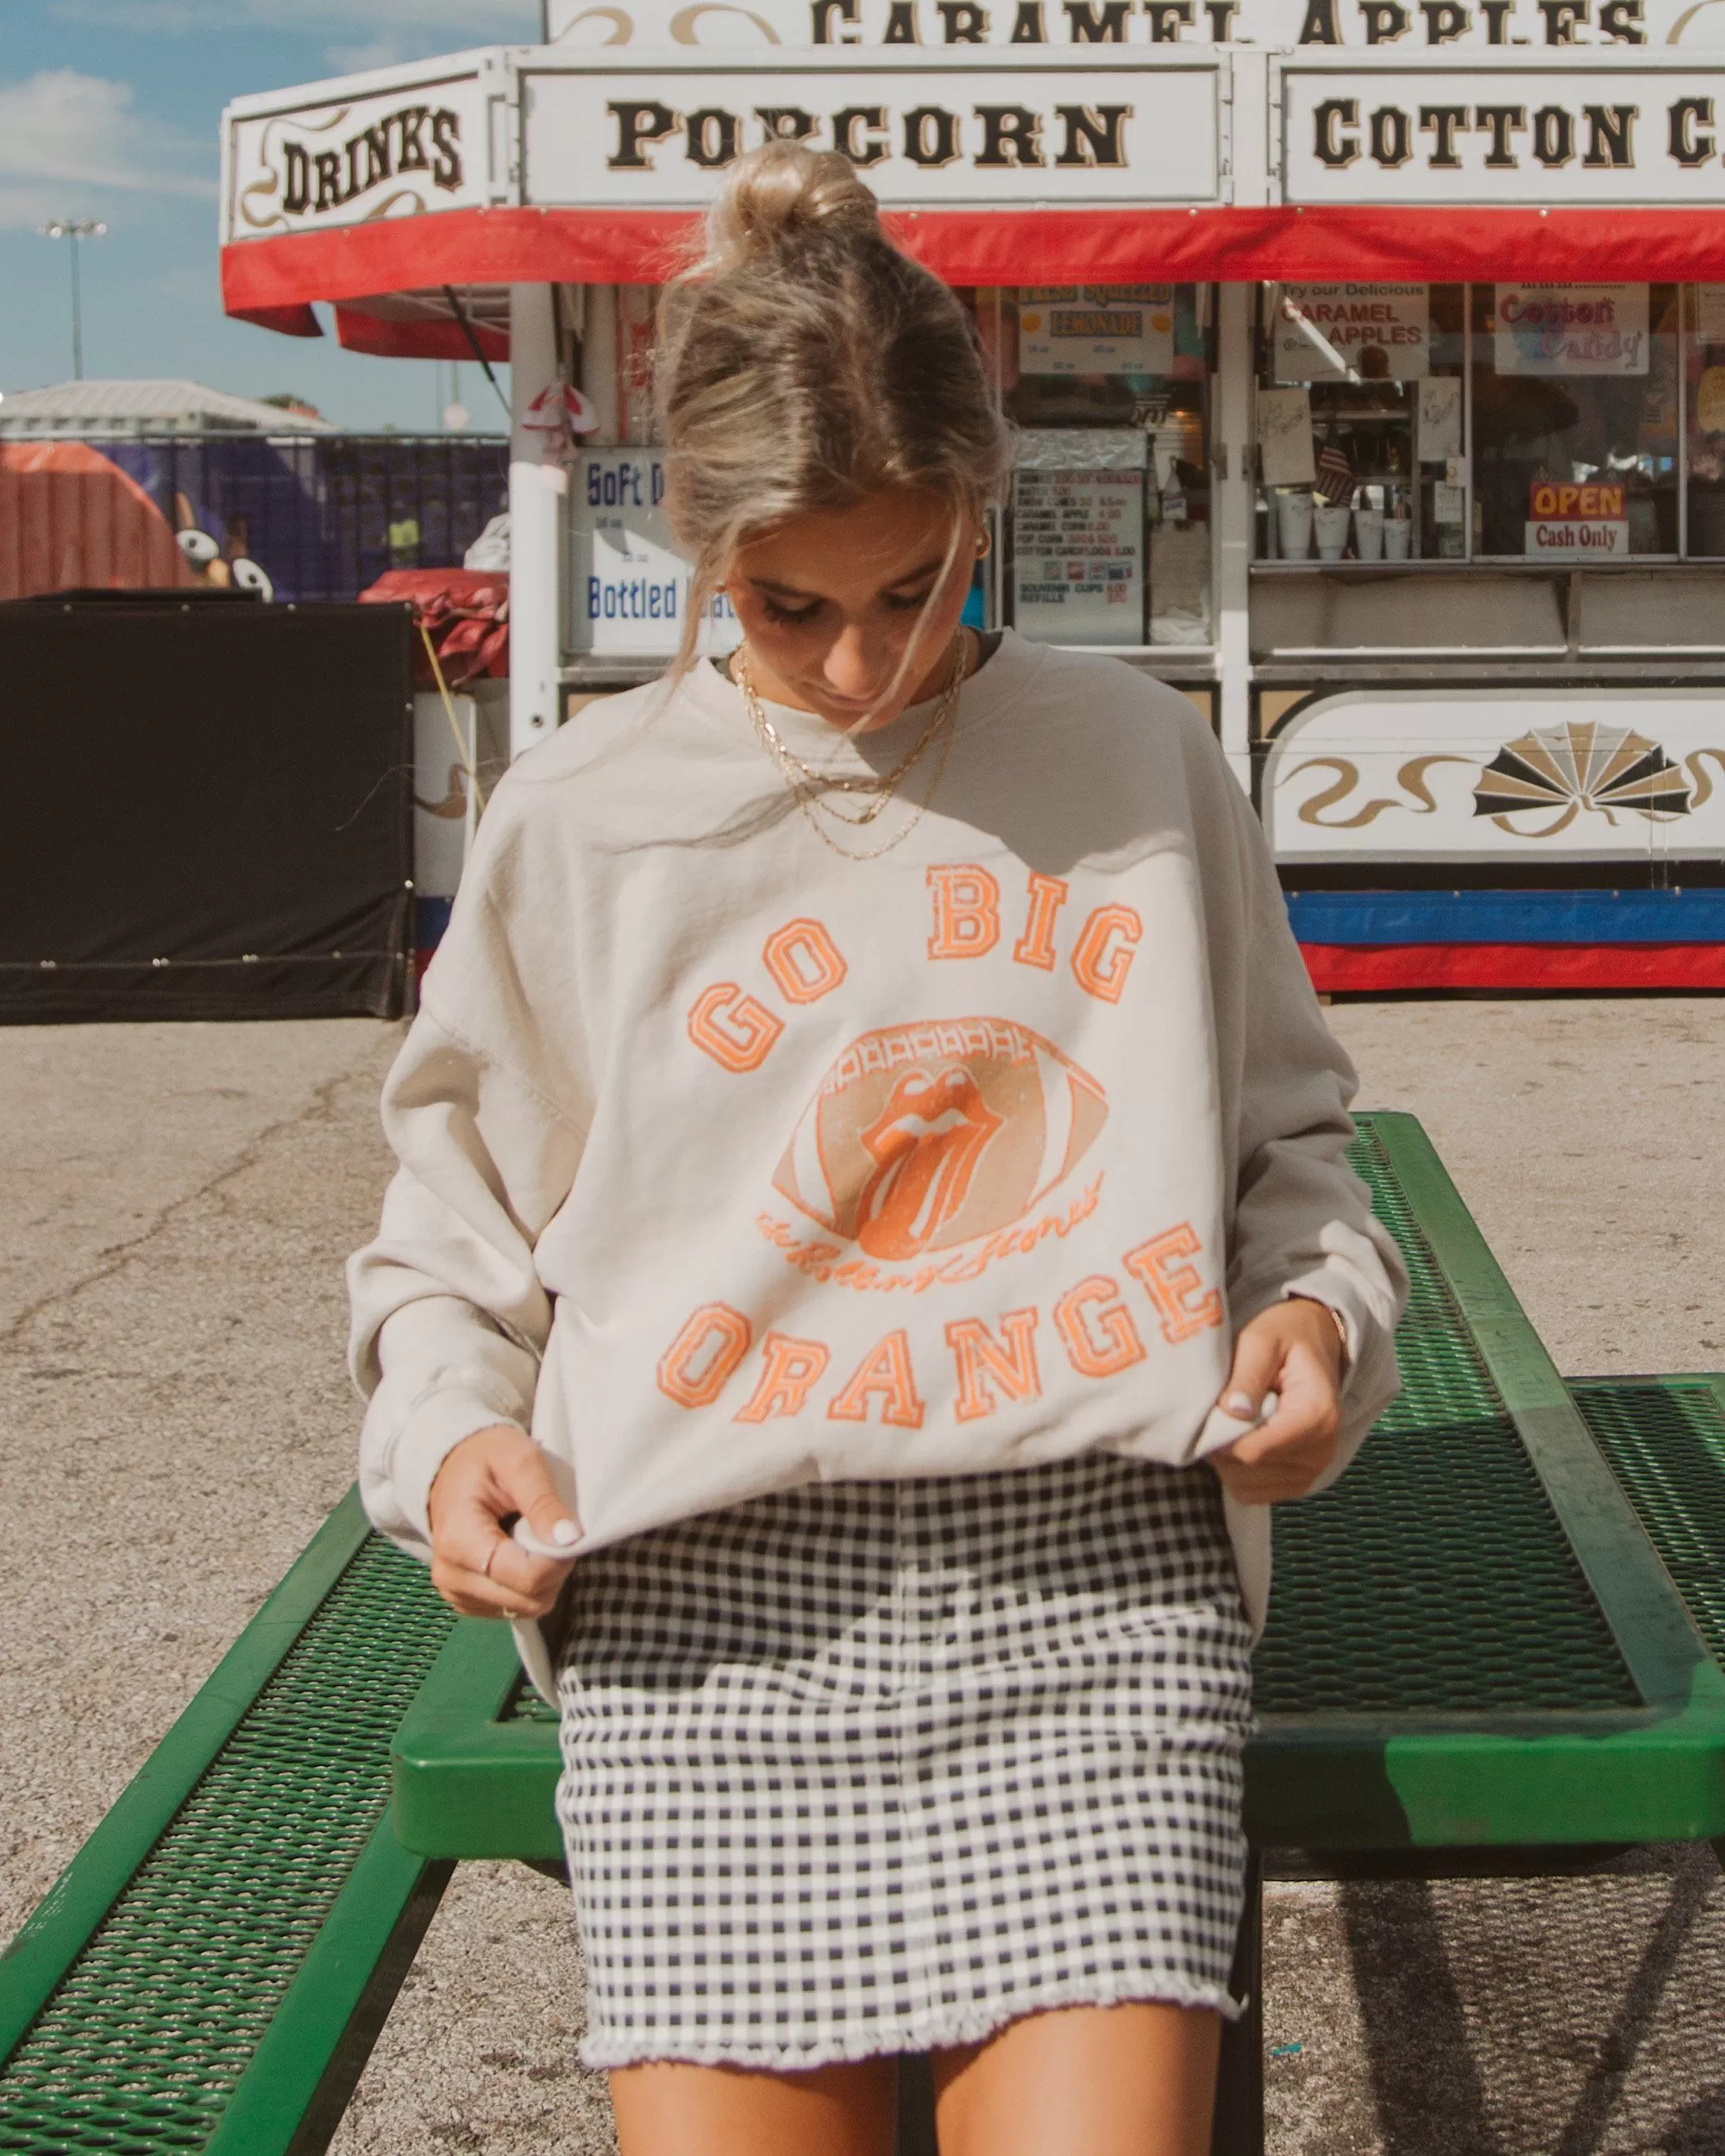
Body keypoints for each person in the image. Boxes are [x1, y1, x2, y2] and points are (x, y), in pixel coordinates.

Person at [349, 142, 1406, 2156]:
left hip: (1092, 1586)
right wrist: (450, 1438)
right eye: (787, 605)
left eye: (916, 590)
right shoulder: (582, 816)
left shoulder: (1138, 760)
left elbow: (1298, 1150)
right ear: (693, 551)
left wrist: (1311, 1320)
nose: (857, 665)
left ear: (984, 506)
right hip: (693, 1610)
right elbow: (446, 1246)